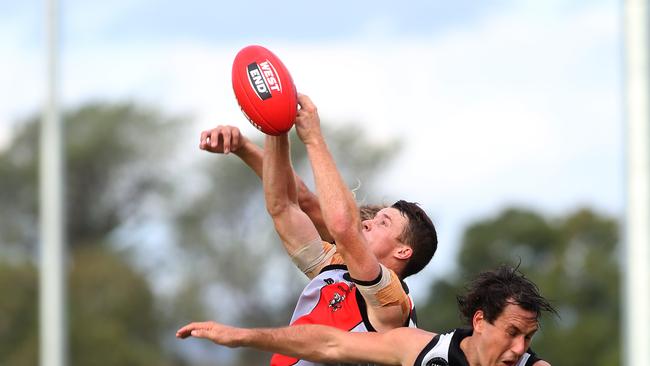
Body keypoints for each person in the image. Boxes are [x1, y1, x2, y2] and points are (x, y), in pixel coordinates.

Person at [198, 94, 438, 365]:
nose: (368, 222)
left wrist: (313, 138)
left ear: (403, 251)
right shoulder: (334, 266)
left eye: (384, 222)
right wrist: (273, 126)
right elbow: (284, 206)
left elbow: (342, 227)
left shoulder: (393, 302)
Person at [178, 265, 557, 366]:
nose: (519, 348)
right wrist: (242, 336)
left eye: (528, 338)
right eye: (511, 333)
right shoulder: (422, 352)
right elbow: (329, 343)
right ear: (479, 321)